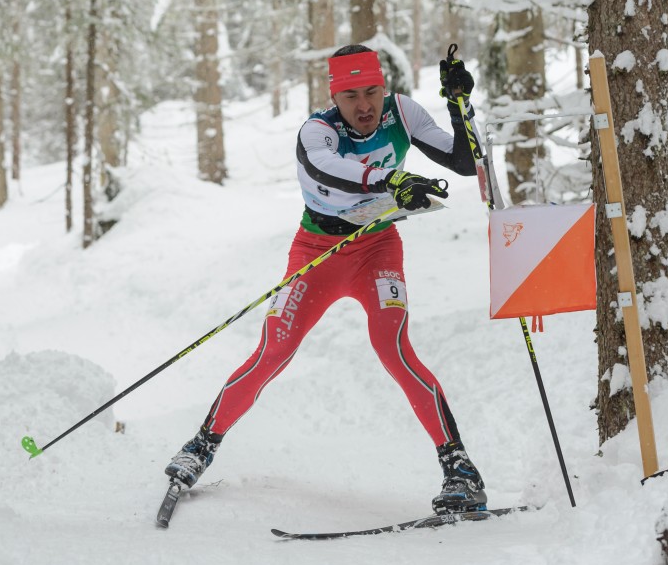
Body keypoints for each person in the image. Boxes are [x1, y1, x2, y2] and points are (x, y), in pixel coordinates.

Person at [164, 44, 487, 514]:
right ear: (334, 96)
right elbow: (328, 171)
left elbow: (463, 159)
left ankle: (459, 468)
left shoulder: (402, 112)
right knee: (274, 349)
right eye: (352, 95)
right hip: (317, 254)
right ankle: (201, 446)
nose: (365, 106)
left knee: (394, 348)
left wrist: (460, 106)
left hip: (376, 249)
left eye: (372, 91)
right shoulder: (318, 131)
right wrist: (390, 181)